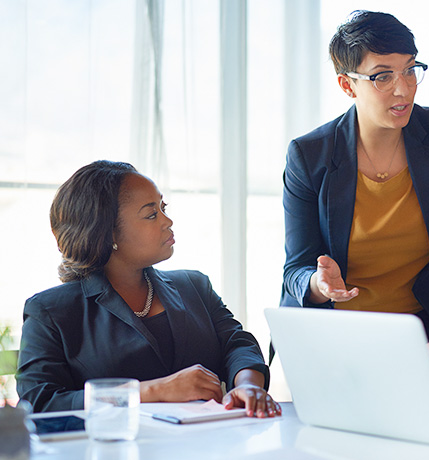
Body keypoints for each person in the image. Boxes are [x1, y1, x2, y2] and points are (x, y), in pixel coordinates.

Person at [281, 11, 429, 343]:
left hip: (425, 329)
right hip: (335, 332)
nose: (403, 89)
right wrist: (320, 284)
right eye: (382, 76)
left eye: (410, 70)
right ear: (347, 85)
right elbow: (296, 270)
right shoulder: (309, 155)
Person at [17, 161, 281, 417]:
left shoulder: (195, 285)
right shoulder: (50, 311)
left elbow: (238, 345)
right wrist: (154, 390)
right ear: (108, 234)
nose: (168, 221)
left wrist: (248, 386)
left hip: (210, 444)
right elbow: (40, 401)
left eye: (163, 207)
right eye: (152, 214)